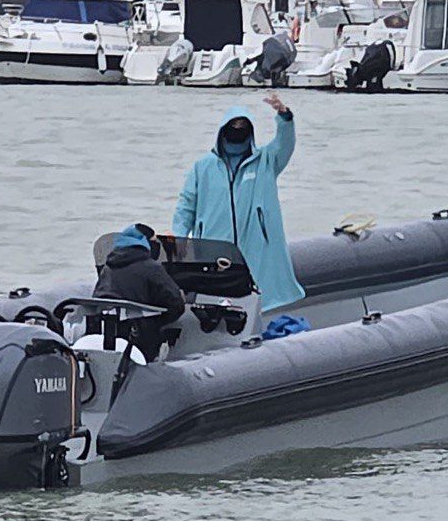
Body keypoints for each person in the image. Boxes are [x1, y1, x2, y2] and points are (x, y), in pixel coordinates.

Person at [172, 94, 305, 312]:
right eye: (233, 125)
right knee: (217, 296)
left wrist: (284, 116)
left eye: (243, 126)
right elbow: (186, 205)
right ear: (223, 130)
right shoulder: (202, 167)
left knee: (259, 297)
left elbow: (285, 144)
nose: (238, 129)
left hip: (257, 246)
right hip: (214, 246)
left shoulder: (267, 160)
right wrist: (178, 241)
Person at [93, 223, 186, 359]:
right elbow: (175, 305)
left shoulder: (108, 268)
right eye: (154, 242)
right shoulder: (152, 268)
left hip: (107, 332)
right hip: (141, 338)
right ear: (145, 243)